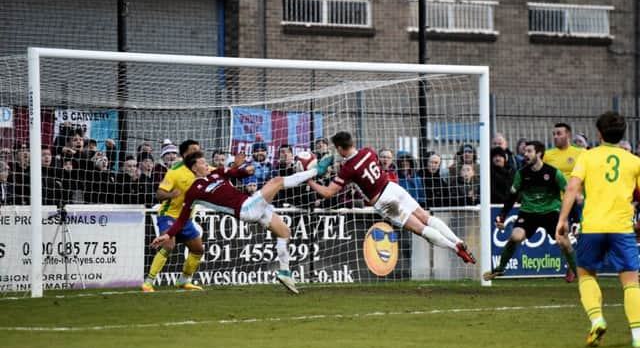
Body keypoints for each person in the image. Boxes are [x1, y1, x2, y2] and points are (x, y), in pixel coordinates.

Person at [151, 150, 326, 294]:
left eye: (205, 162)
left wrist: (242, 165)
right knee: (277, 181)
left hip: (252, 203)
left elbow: (238, 173)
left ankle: (285, 272)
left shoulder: (216, 173)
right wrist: (167, 234)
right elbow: (182, 219)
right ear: (194, 169)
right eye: (203, 163)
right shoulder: (193, 192)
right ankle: (317, 170)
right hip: (246, 210)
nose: (206, 165)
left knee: (285, 233)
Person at [307, 131, 476, 264]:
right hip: (393, 187)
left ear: (340, 148)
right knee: (426, 216)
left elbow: (328, 193)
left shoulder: (348, 168)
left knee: (420, 229)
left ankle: (455, 248)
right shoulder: (368, 151)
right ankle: (458, 240)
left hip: (384, 201)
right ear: (352, 142)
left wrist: (310, 181)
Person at [556, 112, 640, 348]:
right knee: (631, 282)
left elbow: (572, 187)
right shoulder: (634, 161)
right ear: (622, 134)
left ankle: (597, 319)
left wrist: (562, 219)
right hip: (621, 229)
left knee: (586, 275)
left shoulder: (587, 156)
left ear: (599, 133)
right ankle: (638, 336)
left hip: (592, 227)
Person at [484, 141, 577, 282]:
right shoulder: (521, 174)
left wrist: (575, 219)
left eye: (529, 151)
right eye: (525, 151)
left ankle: (577, 272)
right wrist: (502, 216)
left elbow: (570, 195)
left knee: (564, 242)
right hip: (528, 213)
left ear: (539, 154)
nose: (525, 154)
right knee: (515, 237)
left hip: (550, 212)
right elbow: (512, 197)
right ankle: (500, 268)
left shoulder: (553, 173)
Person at [141, 140, 207, 292]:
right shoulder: (174, 172)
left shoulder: (203, 168)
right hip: (169, 215)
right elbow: (158, 194)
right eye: (194, 150)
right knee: (168, 245)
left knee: (198, 250)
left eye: (199, 150)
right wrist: (171, 194)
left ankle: (184, 281)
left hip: (187, 218)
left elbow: (219, 174)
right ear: (185, 155)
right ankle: (148, 282)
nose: (198, 152)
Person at [543, 122, 585, 282]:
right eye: (554, 134)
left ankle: (578, 266)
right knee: (562, 235)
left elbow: (586, 175)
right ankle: (570, 265)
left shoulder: (580, 153)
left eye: (559, 133)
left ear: (568, 135)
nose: (555, 137)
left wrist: (580, 193)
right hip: (556, 202)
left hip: (575, 200)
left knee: (579, 234)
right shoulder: (548, 155)